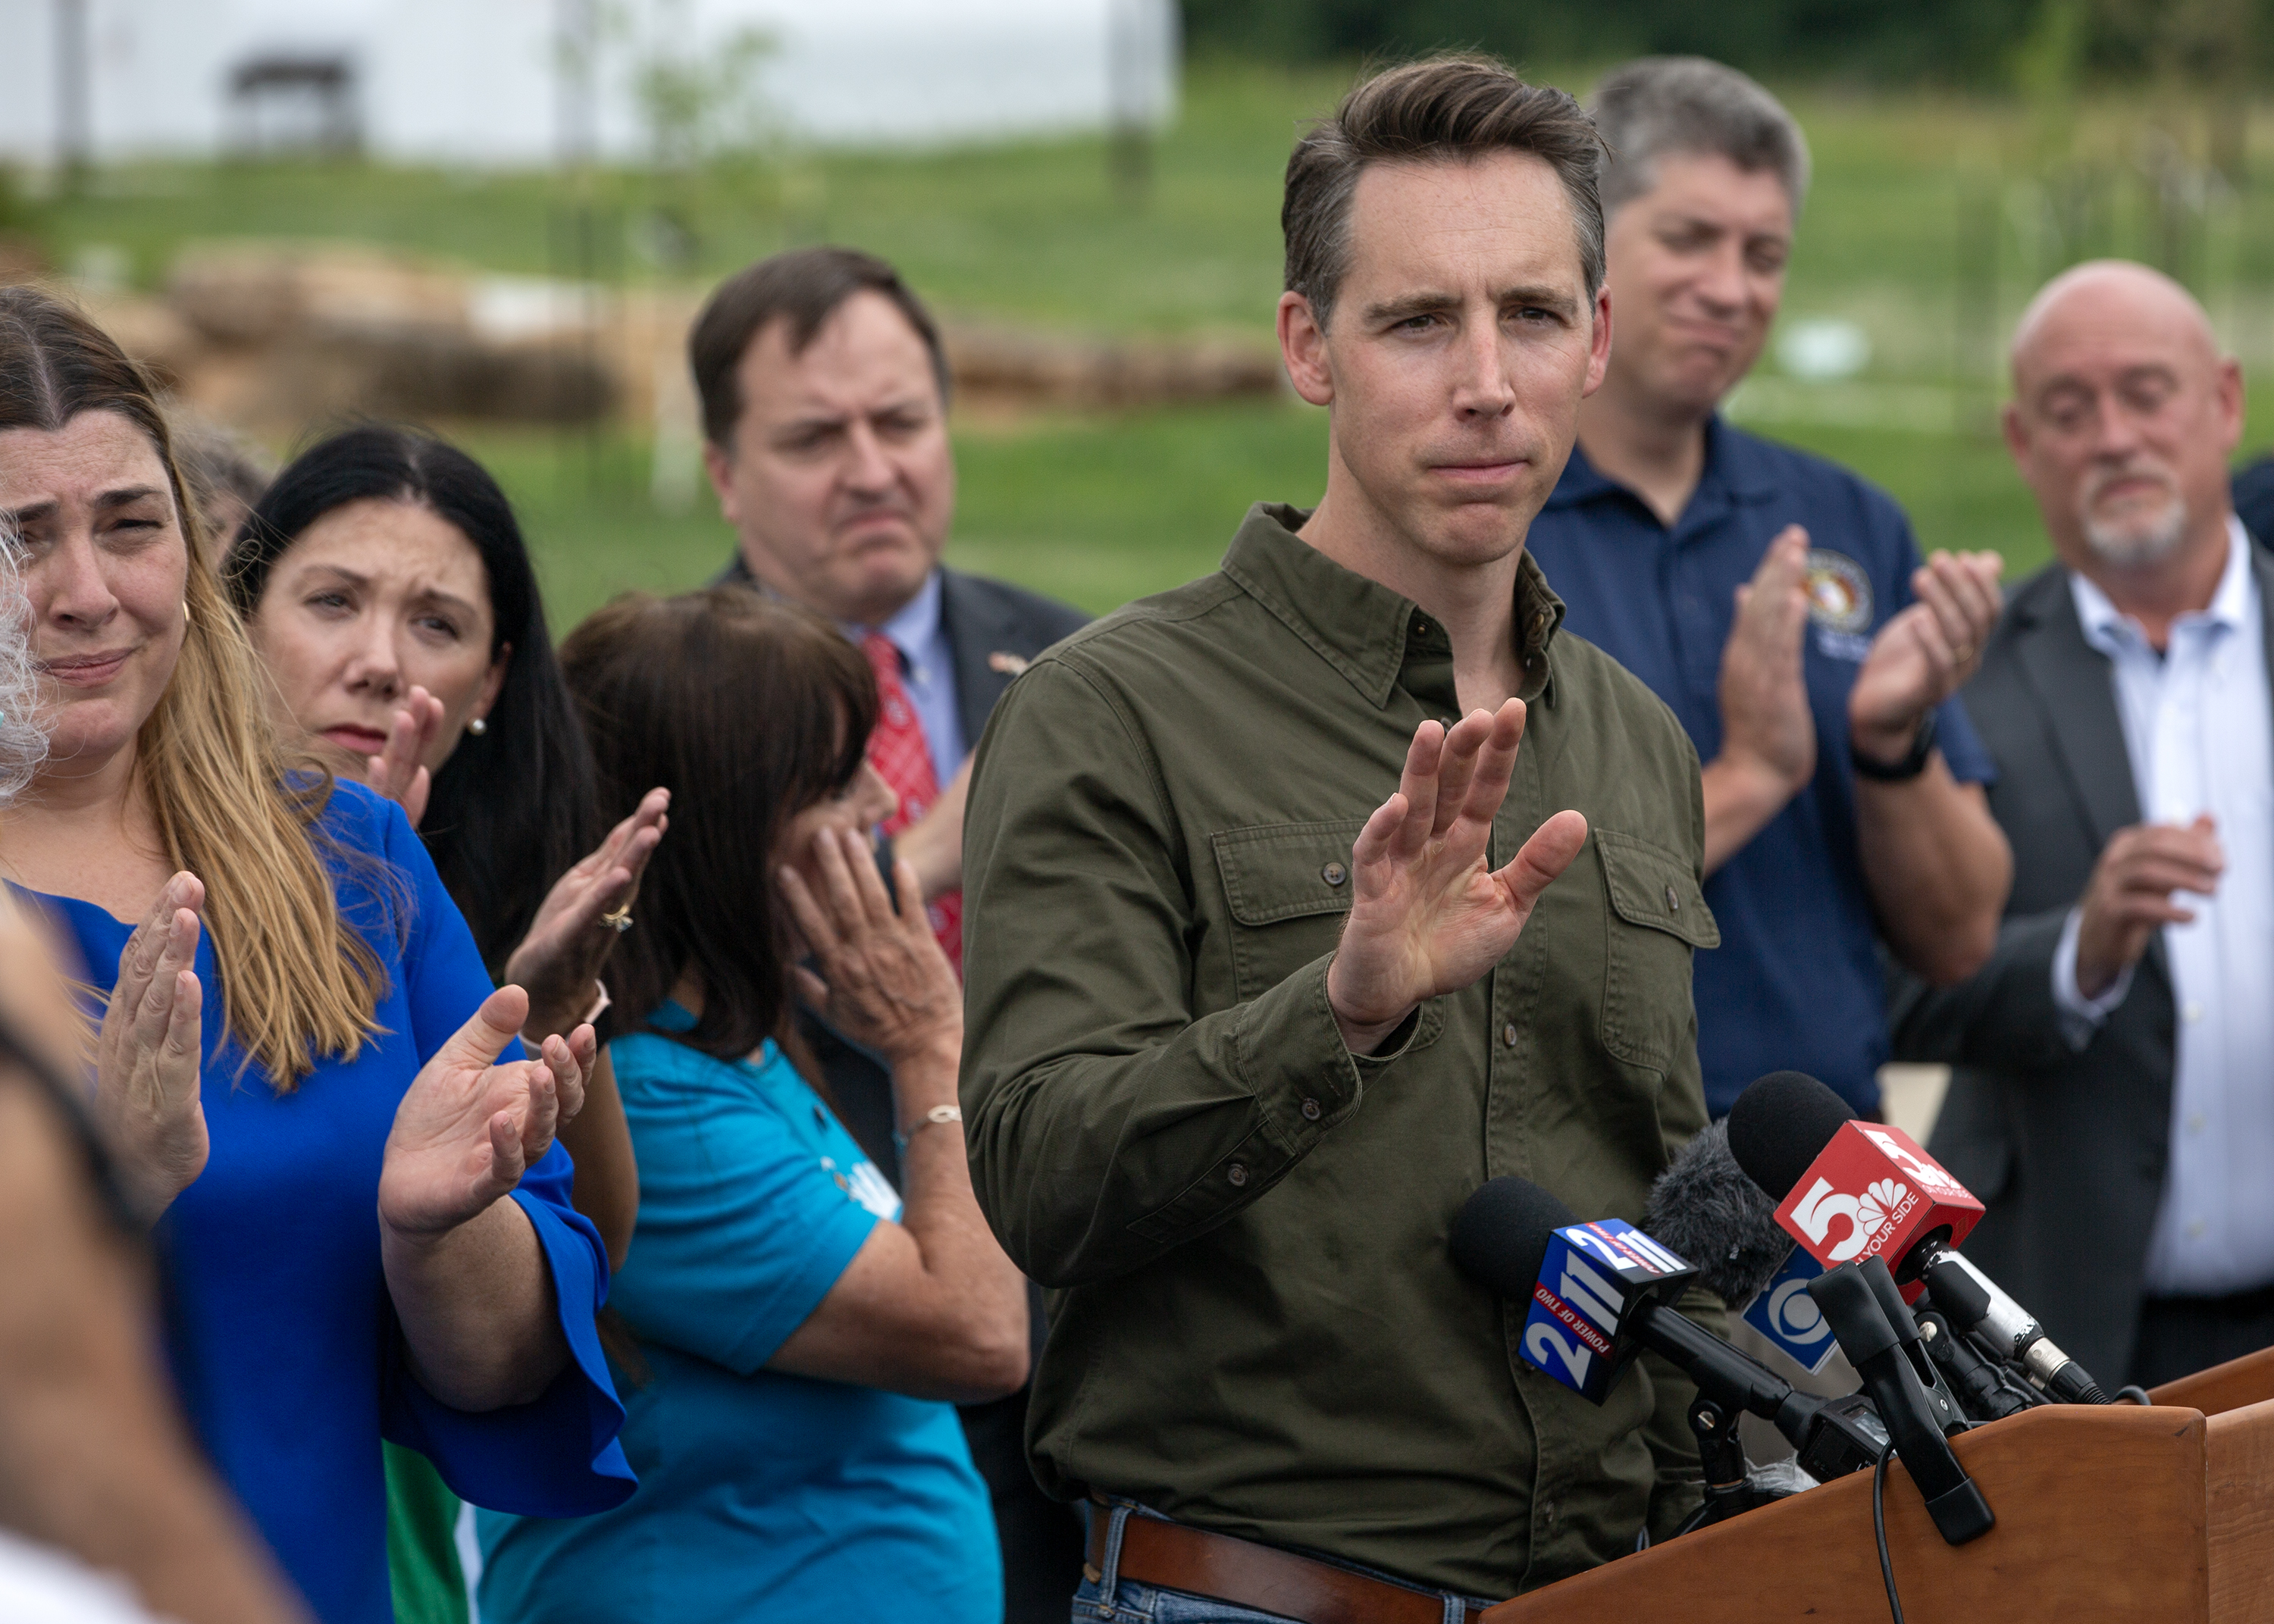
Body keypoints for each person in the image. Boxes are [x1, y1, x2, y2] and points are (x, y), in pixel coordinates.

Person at [962, 55, 1728, 1617]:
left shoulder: (1637, 741)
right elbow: (1041, 1177)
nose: (1485, 382)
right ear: (1310, 347)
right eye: (1417, 320)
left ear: (1596, 340)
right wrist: (1343, 1005)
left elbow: (1639, 1193)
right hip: (1243, 1592)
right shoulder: (1114, 712)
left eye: (1528, 314)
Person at [0, 283, 632, 1624]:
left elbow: (511, 1366)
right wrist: (109, 1195)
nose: (86, 593)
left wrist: (439, 1229)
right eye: (19, 538)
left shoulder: (351, 862)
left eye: (130, 526)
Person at [478, 587, 1029, 1624]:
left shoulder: (724, 1049)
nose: (877, 806)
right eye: (832, 784)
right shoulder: (650, 1100)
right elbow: (978, 1335)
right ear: (725, 833)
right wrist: (929, 1046)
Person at [692, 243, 1088, 1612]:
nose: (872, 468)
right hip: (834, 1350)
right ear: (723, 475)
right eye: (814, 437)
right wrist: (916, 856)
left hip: (1100, 1337)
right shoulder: (654, 707)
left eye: (902, 422)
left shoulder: (1080, 664)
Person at [224, 424, 665, 1624]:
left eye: (437, 623)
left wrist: (556, 1004)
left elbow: (593, 1258)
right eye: (331, 602)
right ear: (234, 618)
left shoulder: (496, 892)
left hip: (404, 1548)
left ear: (497, 676)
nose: (379, 662)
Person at [1519, 57, 2012, 1119]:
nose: (1732, 286)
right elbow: (1487, 905)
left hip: (1826, 1177)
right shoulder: (1491, 526)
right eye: (1689, 239)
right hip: (1582, 1173)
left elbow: (1960, 934)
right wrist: (1751, 774)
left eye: (1765, 253)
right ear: (1588, 249)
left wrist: (1892, 745)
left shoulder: (1846, 524)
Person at [1890, 261, 2274, 1391]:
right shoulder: (1959, 677)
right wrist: (2077, 953)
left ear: (2225, 403)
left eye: (2147, 393)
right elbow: (1897, 988)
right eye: (2070, 409)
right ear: (2020, 439)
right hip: (2059, 1343)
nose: (2112, 437)